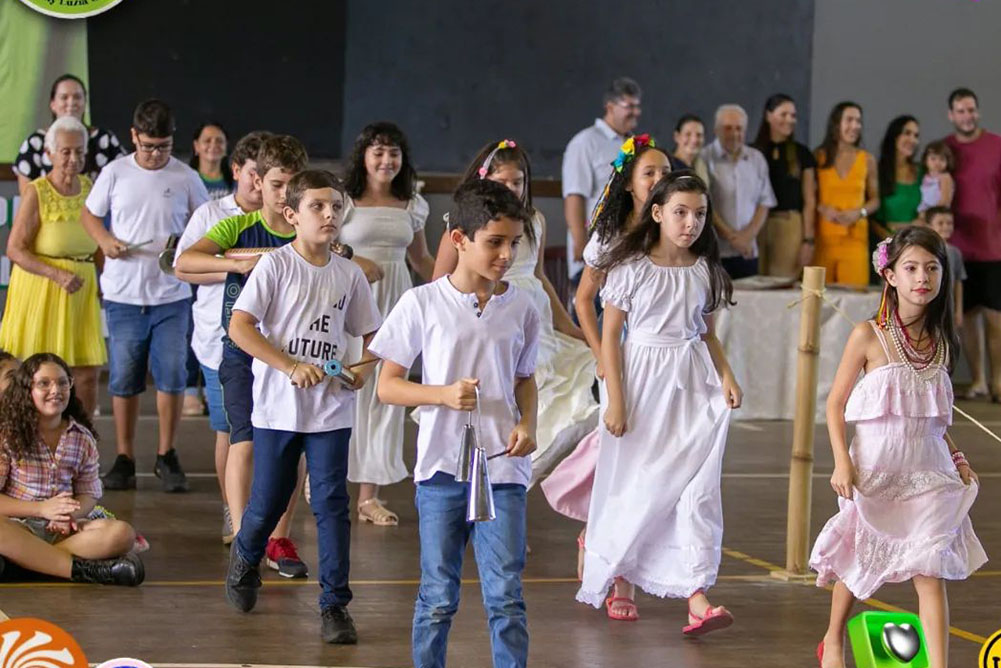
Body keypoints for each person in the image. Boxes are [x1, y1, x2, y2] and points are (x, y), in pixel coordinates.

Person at [371, 179, 539, 668]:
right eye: (494, 242)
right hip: (442, 469)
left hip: (504, 472)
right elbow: (387, 386)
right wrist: (442, 395)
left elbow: (526, 379)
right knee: (439, 595)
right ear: (460, 240)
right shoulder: (422, 303)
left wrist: (527, 423)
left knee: (506, 595)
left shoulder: (522, 307)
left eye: (514, 243)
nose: (506, 255)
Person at [810, 226, 986, 668]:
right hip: (874, 467)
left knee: (930, 571)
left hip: (929, 471)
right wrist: (840, 464)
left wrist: (958, 457)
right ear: (890, 275)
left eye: (931, 268)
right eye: (910, 268)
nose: (922, 277)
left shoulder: (943, 343)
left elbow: (933, 416)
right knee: (859, 562)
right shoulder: (868, 335)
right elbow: (835, 404)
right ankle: (833, 639)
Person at [577, 172, 740, 633]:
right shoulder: (631, 268)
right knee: (639, 482)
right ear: (657, 213)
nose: (690, 223)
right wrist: (617, 401)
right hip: (642, 381)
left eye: (699, 214)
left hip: (691, 384)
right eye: (680, 213)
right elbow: (611, 337)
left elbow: (707, 333)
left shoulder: (704, 271)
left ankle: (695, 594)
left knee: (694, 488)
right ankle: (622, 580)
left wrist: (726, 376)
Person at [224, 170, 382, 645]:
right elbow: (240, 328)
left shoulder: (349, 275)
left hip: (331, 411)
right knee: (268, 500)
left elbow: (374, 336)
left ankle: (335, 605)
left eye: (335, 206)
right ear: (292, 215)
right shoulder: (274, 267)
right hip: (278, 410)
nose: (329, 214)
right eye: (317, 206)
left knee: (333, 505)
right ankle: (247, 555)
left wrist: (362, 369)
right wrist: (289, 365)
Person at [175, 135, 311, 577]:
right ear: (258, 180)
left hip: (293, 353)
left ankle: (278, 537)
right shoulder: (236, 227)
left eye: (293, 186)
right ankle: (243, 539)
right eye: (276, 184)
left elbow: (351, 263)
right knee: (244, 439)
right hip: (240, 351)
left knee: (292, 450)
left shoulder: (309, 229)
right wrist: (236, 263)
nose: (284, 194)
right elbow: (184, 263)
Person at [545, 135, 670, 589]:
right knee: (622, 465)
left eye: (664, 172)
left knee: (648, 470)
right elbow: (583, 299)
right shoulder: (611, 233)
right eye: (649, 173)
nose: (658, 180)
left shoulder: (674, 231)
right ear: (630, 182)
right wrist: (600, 354)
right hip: (620, 359)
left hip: (663, 362)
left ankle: (606, 543)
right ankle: (617, 576)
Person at [431, 139, 597, 480]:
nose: (511, 189)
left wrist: (569, 326)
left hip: (532, 316)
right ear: (483, 180)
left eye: (517, 182)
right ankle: (490, 468)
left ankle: (526, 462)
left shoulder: (533, 220)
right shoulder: (461, 225)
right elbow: (440, 282)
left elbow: (539, 278)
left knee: (562, 385)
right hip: (492, 313)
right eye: (502, 181)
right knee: (504, 391)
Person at [80, 99, 210, 493]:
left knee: (171, 376)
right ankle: (124, 457)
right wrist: (105, 240)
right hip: (123, 293)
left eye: (163, 147)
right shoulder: (115, 172)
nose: (155, 155)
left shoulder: (186, 177)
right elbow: (89, 214)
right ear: (133, 136)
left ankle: (166, 454)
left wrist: (186, 247)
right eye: (148, 146)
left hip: (171, 294)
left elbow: (206, 223)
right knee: (123, 378)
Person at [174, 130, 271, 545]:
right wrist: (233, 267)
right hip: (220, 340)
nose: (259, 184)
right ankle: (234, 512)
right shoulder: (213, 216)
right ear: (237, 171)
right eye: (253, 174)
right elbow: (181, 268)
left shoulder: (284, 217)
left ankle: (269, 520)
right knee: (230, 430)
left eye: (269, 177)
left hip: (272, 343)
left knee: (267, 430)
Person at [339, 122, 434, 526]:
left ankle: (368, 496)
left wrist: (457, 292)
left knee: (383, 398)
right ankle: (324, 478)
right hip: (348, 304)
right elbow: (318, 245)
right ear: (363, 156)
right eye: (378, 152)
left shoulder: (412, 203)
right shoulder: (343, 201)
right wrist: (353, 259)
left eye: (393, 153)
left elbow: (423, 260)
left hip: (396, 305)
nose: (386, 160)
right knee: (343, 388)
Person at [0, 353, 144, 586]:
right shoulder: (7, 435)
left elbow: (89, 493)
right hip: (19, 524)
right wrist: (42, 509)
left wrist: (71, 515)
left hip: (63, 528)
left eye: (62, 382)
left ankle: (27, 563)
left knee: (122, 534)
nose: (55, 390)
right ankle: (75, 569)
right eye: (44, 383)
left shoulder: (82, 438)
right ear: (27, 390)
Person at [0, 116, 106, 415]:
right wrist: (57, 274)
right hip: (41, 291)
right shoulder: (36, 190)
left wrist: (106, 281)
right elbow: (15, 249)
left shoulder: (90, 188)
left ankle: (82, 441)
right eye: (66, 152)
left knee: (87, 372)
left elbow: (98, 243)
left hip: (81, 292)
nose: (74, 159)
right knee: (32, 374)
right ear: (49, 154)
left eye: (80, 152)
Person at [943, 87, 1001, 402]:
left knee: (996, 317)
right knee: (966, 318)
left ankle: (998, 381)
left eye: (971, 110)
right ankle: (977, 380)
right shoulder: (946, 149)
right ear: (951, 115)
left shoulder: (996, 145)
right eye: (961, 111)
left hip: (993, 246)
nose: (967, 116)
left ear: (977, 111)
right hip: (958, 247)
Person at [562, 77, 642, 299]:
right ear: (610, 107)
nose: (635, 112)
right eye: (629, 106)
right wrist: (580, 241)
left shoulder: (634, 144)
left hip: (627, 254)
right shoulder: (585, 142)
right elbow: (575, 195)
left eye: (637, 106)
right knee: (594, 322)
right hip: (595, 251)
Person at [12, 73, 124, 195]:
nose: (71, 102)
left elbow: (123, 181)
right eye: (64, 97)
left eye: (77, 97)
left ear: (85, 102)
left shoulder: (105, 139)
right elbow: (26, 197)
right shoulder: (35, 143)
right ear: (53, 104)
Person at [701, 104, 777, 279]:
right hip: (715, 252)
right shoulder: (703, 158)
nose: (734, 134)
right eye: (728, 128)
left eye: (739, 129)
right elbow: (704, 204)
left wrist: (747, 237)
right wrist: (733, 238)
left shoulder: (756, 159)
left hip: (748, 251)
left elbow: (764, 202)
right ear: (716, 130)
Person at [814, 101, 880, 288]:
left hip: (855, 241)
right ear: (836, 124)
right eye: (849, 120)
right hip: (824, 240)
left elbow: (875, 200)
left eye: (858, 121)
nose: (855, 126)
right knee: (819, 299)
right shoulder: (819, 156)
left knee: (854, 300)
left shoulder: (867, 159)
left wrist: (859, 213)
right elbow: (810, 196)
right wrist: (823, 209)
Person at [751, 94, 818, 277]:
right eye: (783, 114)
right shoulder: (752, 153)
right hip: (757, 225)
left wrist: (808, 240)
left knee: (782, 283)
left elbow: (810, 200)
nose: (789, 120)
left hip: (789, 226)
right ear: (768, 116)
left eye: (793, 115)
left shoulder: (802, 154)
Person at [874, 115, 922, 237]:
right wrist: (890, 242)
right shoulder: (877, 171)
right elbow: (871, 220)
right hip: (885, 247)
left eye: (916, 136)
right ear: (894, 137)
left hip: (917, 245)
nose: (912, 140)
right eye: (907, 133)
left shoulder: (922, 172)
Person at [926, 206, 966, 330]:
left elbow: (958, 281)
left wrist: (958, 310)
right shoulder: (924, 252)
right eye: (940, 223)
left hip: (948, 308)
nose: (946, 227)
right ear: (929, 226)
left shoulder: (955, 253)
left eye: (949, 223)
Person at [189, 122, 233, 201]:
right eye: (207, 141)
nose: (213, 145)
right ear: (196, 146)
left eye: (219, 141)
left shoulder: (237, 181)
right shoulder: (187, 180)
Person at [918, 141, 955, 213]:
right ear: (926, 160)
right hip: (925, 209)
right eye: (933, 159)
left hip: (940, 212)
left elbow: (945, 200)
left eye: (942, 159)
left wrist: (932, 213)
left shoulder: (945, 177)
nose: (937, 163)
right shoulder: (925, 177)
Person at [672, 114, 710, 184]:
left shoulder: (702, 167)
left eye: (699, 135)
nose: (694, 140)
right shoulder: (669, 168)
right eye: (688, 134)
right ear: (677, 137)